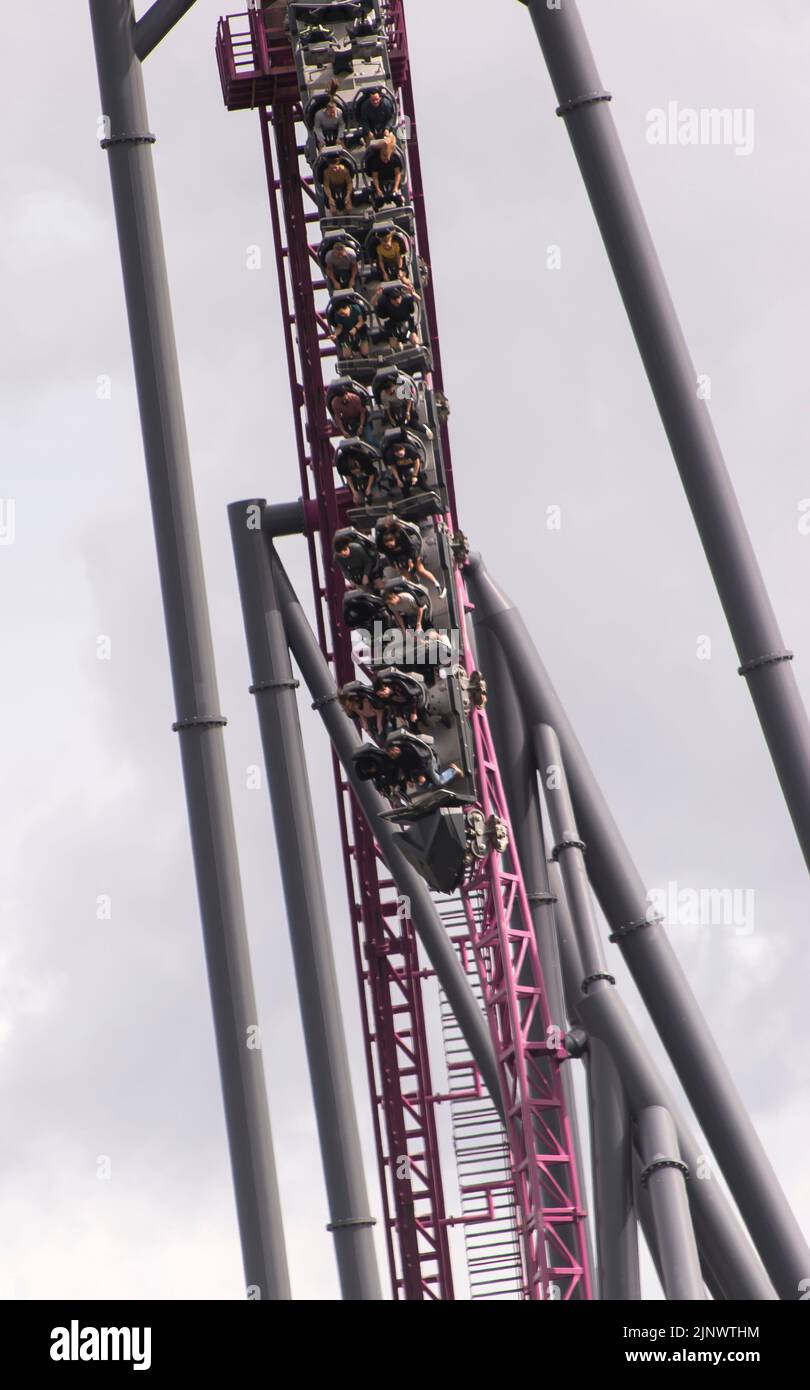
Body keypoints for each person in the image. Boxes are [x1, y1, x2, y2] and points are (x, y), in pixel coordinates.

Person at [375, 514, 444, 594]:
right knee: (404, 572)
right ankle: (413, 589)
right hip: (400, 555)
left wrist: (411, 560)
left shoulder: (402, 537)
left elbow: (411, 548)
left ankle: (437, 585)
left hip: (413, 550)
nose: (390, 546)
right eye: (388, 546)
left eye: (391, 544)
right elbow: (390, 556)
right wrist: (395, 564)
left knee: (420, 569)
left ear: (394, 539)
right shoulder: (386, 547)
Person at [384, 730, 461, 792]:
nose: (392, 757)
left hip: (428, 761)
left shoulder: (409, 748)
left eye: (392, 754)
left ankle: (453, 770)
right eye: (391, 756)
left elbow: (423, 759)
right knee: (424, 786)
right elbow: (405, 768)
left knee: (439, 781)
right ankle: (441, 784)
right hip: (418, 769)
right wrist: (408, 780)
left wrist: (422, 775)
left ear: (395, 749)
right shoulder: (398, 758)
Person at [372, 668, 427, 733]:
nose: (382, 696)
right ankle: (416, 732)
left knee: (416, 714)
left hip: (416, 697)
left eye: (382, 694)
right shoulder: (387, 698)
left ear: (385, 689)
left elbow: (413, 697)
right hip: (404, 704)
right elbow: (394, 705)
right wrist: (399, 715)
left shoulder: (398, 687)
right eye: (380, 696)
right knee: (409, 719)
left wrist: (413, 713)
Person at [373, 281, 421, 349]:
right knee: (393, 343)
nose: (397, 301)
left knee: (414, 339)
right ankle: (396, 350)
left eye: (398, 298)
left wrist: (412, 293)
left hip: (406, 323)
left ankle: (418, 349)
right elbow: (373, 303)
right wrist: (377, 295)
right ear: (390, 299)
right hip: (393, 324)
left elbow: (418, 299)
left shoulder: (406, 299)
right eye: (394, 299)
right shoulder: (384, 302)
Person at [364, 134, 405, 209]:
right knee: (379, 201)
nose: (386, 159)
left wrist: (395, 187)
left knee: (397, 198)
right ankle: (375, 203)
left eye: (387, 156)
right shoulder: (375, 161)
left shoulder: (394, 159)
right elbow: (375, 177)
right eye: (384, 156)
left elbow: (397, 174)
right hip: (380, 181)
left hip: (392, 180)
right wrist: (378, 189)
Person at [326, 293, 370, 360]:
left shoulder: (355, 308)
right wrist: (335, 335)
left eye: (343, 313)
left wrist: (355, 328)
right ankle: (350, 359)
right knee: (346, 354)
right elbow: (340, 327)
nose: (342, 315)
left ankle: (364, 355)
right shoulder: (337, 316)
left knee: (365, 351)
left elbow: (361, 321)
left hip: (358, 327)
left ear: (346, 307)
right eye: (340, 314)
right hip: (346, 331)